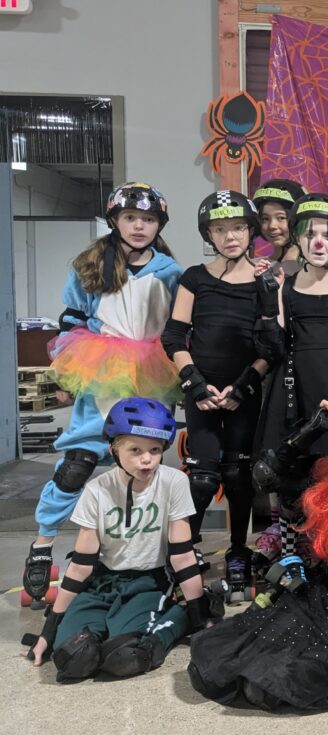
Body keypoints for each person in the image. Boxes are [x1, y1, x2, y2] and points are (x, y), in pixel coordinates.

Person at [188, 408, 328, 711]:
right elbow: (266, 474)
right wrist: (310, 431)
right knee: (221, 662)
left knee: (275, 686)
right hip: (319, 601)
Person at [24, 183, 182, 608]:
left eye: (148, 220)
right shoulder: (91, 265)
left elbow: (177, 323)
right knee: (78, 464)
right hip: (102, 369)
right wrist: (66, 373)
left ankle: (135, 554)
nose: (139, 226)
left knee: (141, 467)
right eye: (131, 218)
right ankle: (42, 544)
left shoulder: (169, 269)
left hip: (151, 372)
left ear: (158, 225)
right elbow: (72, 319)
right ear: (115, 219)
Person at [22, 398, 218, 681]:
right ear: (114, 449)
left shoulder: (174, 482)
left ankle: (182, 615)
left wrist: (201, 619)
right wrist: (48, 633)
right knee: (73, 657)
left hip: (149, 582)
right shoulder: (96, 491)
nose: (147, 459)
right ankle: (90, 631)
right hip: (101, 583)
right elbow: (80, 566)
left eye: (154, 450)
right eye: (135, 450)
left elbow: (183, 555)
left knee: (128, 655)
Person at [250, 193, 328, 572]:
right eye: (311, 234)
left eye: (327, 234)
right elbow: (272, 347)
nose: (319, 242)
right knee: (290, 480)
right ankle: (292, 557)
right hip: (292, 390)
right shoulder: (283, 283)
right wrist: (269, 306)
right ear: (298, 239)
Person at [161, 190, 268, 595]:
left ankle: (238, 551)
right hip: (201, 389)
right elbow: (174, 334)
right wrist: (194, 382)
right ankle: (183, 551)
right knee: (203, 479)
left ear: (251, 230)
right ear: (209, 234)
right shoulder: (195, 277)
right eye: (220, 230)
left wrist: (244, 384)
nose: (231, 237)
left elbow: (272, 346)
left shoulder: (264, 279)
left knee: (239, 477)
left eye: (238, 227)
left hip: (245, 389)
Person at [251, 177, 306, 269]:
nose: (272, 226)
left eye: (281, 218)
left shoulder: (316, 268)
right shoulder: (255, 267)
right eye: (265, 219)